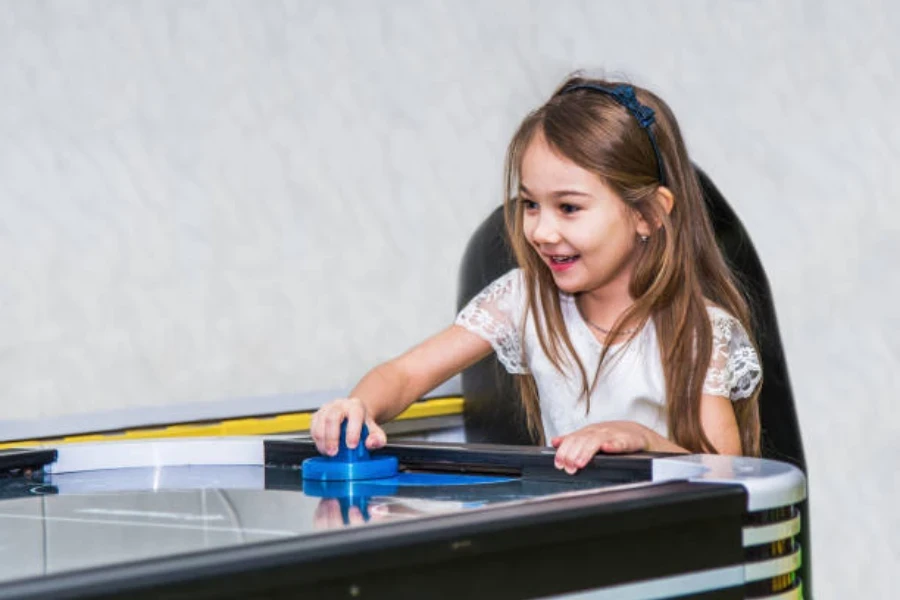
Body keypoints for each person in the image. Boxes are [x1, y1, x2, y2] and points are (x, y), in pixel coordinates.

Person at [311, 74, 762, 474]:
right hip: (565, 543)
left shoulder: (701, 331)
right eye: (530, 204)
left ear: (647, 214)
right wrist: (359, 406)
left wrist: (644, 441)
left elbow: (726, 474)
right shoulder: (523, 301)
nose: (541, 232)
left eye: (569, 208)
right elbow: (406, 374)